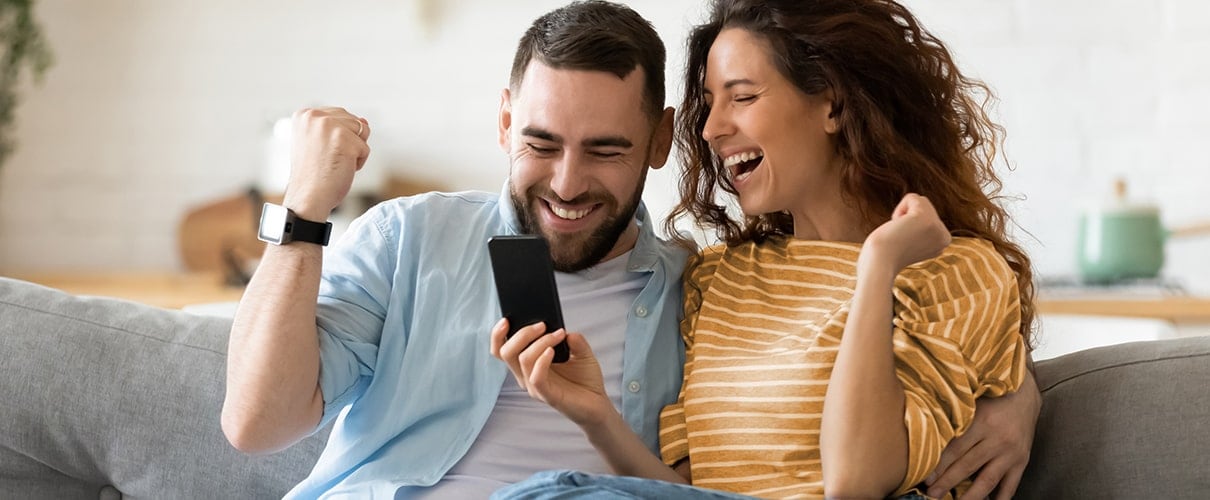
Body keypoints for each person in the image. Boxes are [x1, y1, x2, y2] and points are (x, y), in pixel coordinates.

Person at [222, 1, 1035, 498]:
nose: (567, 183)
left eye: (605, 150)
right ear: (505, 123)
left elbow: (916, 343)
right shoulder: (411, 240)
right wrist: (302, 212)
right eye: (541, 142)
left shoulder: (691, 286)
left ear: (656, 140)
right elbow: (256, 423)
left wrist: (1020, 395)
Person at [492, 0, 1038, 499]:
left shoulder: (955, 272)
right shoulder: (719, 279)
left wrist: (876, 267)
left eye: (743, 96)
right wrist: (595, 416)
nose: (709, 128)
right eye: (708, 103)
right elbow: (688, 494)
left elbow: (855, 482)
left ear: (832, 104)